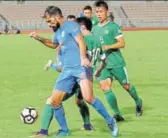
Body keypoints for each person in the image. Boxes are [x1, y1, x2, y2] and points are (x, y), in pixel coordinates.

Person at [30, 5, 118, 137]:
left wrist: (83, 58)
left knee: (88, 97)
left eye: (49, 20)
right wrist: (39, 38)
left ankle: (110, 121)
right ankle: (65, 130)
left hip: (80, 68)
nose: (48, 24)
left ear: (56, 16)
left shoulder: (71, 25)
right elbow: (54, 44)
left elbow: (81, 41)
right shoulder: (58, 31)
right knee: (54, 101)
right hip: (67, 70)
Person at [92, 0, 143, 122]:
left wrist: (108, 46)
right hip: (102, 65)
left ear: (106, 12)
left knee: (126, 86)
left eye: (101, 11)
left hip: (116, 62)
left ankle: (138, 101)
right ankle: (117, 114)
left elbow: (122, 43)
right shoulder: (93, 28)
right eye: (97, 12)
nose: (99, 14)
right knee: (105, 87)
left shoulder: (113, 26)